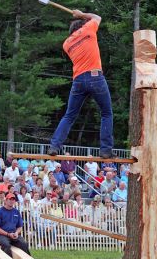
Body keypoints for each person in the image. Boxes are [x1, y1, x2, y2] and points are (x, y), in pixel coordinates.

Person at [48, 10, 115, 159]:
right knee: (106, 113)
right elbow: (98, 17)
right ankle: (105, 150)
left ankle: (54, 145)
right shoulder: (88, 29)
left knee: (69, 115)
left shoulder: (66, 44)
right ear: (82, 25)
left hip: (78, 80)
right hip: (95, 76)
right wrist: (82, 14)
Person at [0, 192, 30, 257]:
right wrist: (8, 234)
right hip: (1, 235)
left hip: (13, 234)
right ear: (6, 200)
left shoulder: (16, 212)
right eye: (10, 199)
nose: (12, 201)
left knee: (24, 244)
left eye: (13, 200)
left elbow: (20, 226)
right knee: (6, 245)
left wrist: (16, 233)